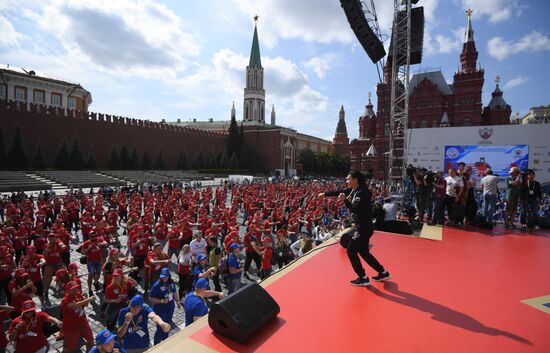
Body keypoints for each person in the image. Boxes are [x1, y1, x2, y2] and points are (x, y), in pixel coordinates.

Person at [319, 170, 389, 286]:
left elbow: (355, 209)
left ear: (355, 180)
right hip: (364, 227)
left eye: (348, 179)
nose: (346, 181)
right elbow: (341, 191)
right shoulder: (354, 189)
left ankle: (363, 277)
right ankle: (382, 272)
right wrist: (325, 194)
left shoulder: (362, 193)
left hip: (363, 228)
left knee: (351, 251)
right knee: (364, 252)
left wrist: (344, 200)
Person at [148, 268, 180, 344]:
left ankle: (165, 342)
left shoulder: (171, 283)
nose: (164, 278)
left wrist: (178, 301)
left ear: (169, 276)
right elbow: (150, 298)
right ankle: (157, 345)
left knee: (167, 326)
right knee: (160, 328)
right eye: (162, 277)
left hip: (170, 308)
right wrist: (161, 301)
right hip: (160, 309)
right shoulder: (156, 286)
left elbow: (174, 292)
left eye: (166, 276)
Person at [61, 281, 95, 353]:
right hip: (71, 327)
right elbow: (74, 306)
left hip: (83, 322)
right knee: (71, 349)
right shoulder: (65, 300)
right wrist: (89, 299)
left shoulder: (78, 295)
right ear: (68, 290)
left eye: (76, 288)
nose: (75, 290)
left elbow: (85, 305)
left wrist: (86, 297)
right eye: (72, 289)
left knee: (91, 340)